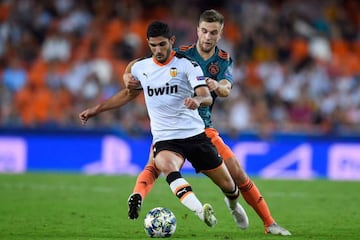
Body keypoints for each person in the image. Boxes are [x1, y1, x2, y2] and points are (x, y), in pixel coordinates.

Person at [125, 10, 291, 236]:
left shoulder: (222, 60)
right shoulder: (182, 54)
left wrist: (216, 86)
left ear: (220, 34)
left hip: (203, 129)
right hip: (172, 129)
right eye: (204, 31)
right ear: (197, 31)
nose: (207, 36)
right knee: (155, 164)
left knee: (238, 174)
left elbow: (226, 89)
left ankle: (266, 221)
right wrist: (127, 74)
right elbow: (146, 61)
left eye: (213, 32)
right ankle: (137, 197)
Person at [80, 20, 248, 228]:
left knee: (229, 186)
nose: (158, 50)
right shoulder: (142, 68)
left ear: (172, 41)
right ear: (148, 44)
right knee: (166, 166)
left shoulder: (187, 64)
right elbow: (127, 93)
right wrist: (96, 110)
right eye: (153, 45)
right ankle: (200, 211)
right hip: (165, 138)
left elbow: (207, 97)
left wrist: (196, 100)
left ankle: (233, 206)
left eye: (162, 45)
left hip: (195, 135)